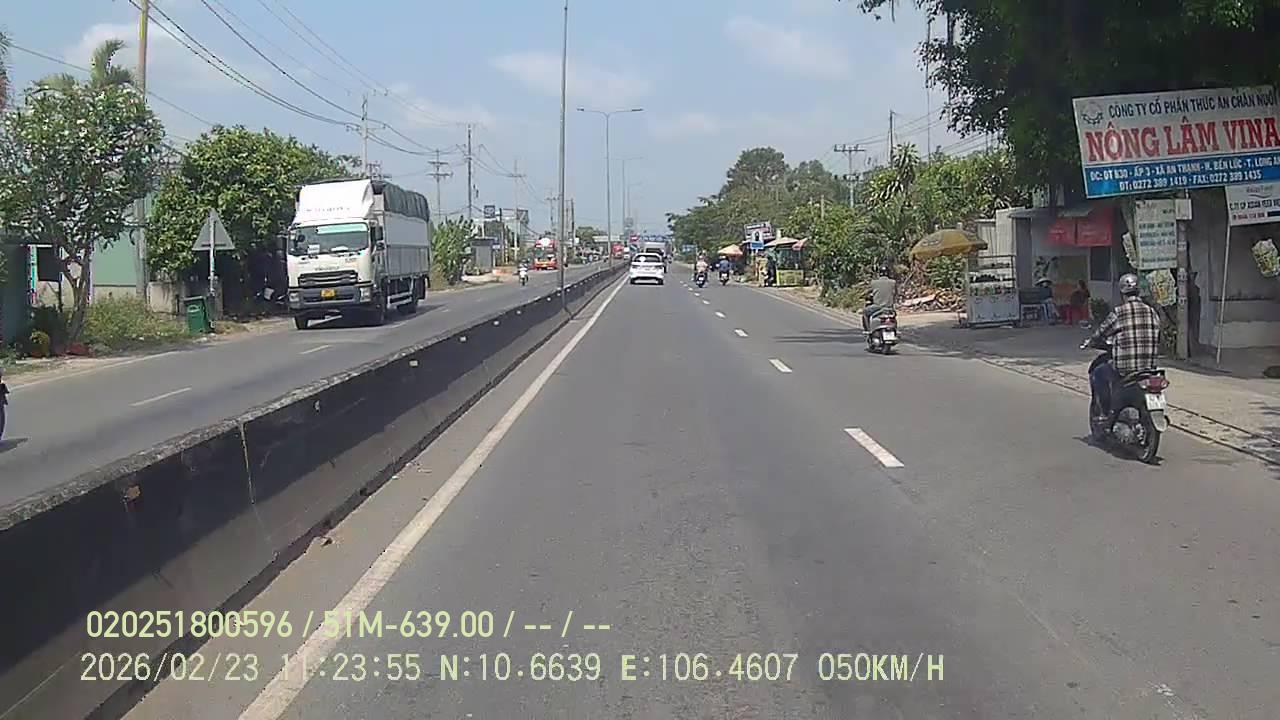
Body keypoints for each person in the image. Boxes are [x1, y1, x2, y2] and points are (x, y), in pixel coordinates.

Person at [1086, 273, 1161, 420]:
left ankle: (1104, 413)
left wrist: (1092, 341)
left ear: (1122, 293)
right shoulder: (1152, 312)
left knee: (1098, 373)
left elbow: (1101, 332)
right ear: (1138, 292)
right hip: (1149, 368)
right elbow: (1158, 335)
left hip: (1124, 369)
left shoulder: (1119, 313)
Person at [863, 265, 898, 331]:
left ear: (879, 273)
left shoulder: (874, 283)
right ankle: (895, 329)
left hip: (877, 307)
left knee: (865, 312)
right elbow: (895, 294)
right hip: (889, 307)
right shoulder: (893, 282)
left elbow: (867, 292)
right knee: (894, 315)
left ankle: (868, 330)